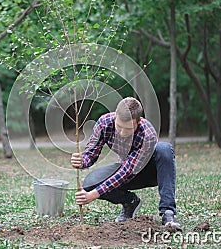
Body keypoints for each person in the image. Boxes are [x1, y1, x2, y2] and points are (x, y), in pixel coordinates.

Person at [71, 97, 181, 229]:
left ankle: (167, 214)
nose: (122, 133)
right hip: (124, 169)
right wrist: (82, 161)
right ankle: (130, 202)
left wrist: (93, 195)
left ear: (138, 122)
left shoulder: (148, 134)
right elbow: (91, 154)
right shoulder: (104, 123)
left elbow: (127, 171)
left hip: (151, 172)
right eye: (119, 127)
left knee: (164, 149)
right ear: (115, 116)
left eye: (128, 129)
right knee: (90, 183)